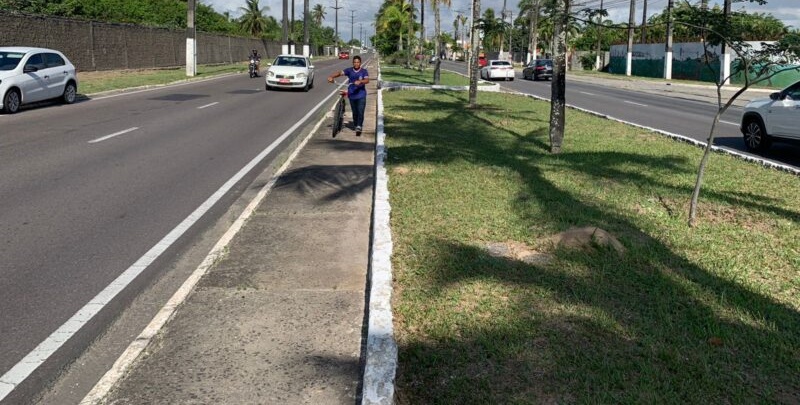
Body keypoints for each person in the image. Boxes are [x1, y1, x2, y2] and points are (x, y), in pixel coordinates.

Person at [327, 55, 369, 136]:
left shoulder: (364, 71)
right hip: (352, 95)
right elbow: (340, 73)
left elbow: (367, 80)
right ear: (353, 63)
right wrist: (331, 76)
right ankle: (356, 124)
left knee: (360, 111)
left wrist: (361, 81)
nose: (356, 63)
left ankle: (359, 126)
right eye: (355, 62)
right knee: (355, 112)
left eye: (358, 62)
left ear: (360, 63)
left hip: (361, 95)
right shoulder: (349, 70)